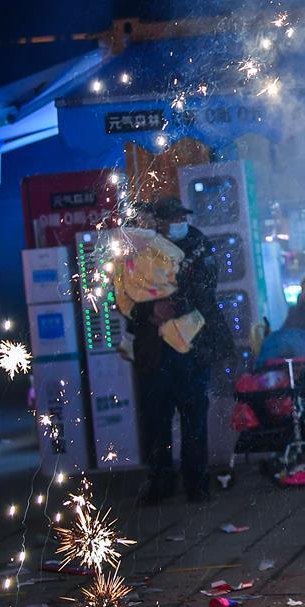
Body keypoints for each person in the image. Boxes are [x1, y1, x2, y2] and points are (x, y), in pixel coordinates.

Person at [130, 196, 233, 504]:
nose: (175, 223)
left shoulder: (199, 246)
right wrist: (149, 313)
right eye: (168, 218)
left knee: (193, 416)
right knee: (156, 418)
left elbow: (205, 290)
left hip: (191, 345)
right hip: (155, 349)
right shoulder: (140, 253)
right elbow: (124, 298)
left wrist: (174, 307)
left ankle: (196, 482)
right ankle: (160, 481)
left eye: (177, 216)